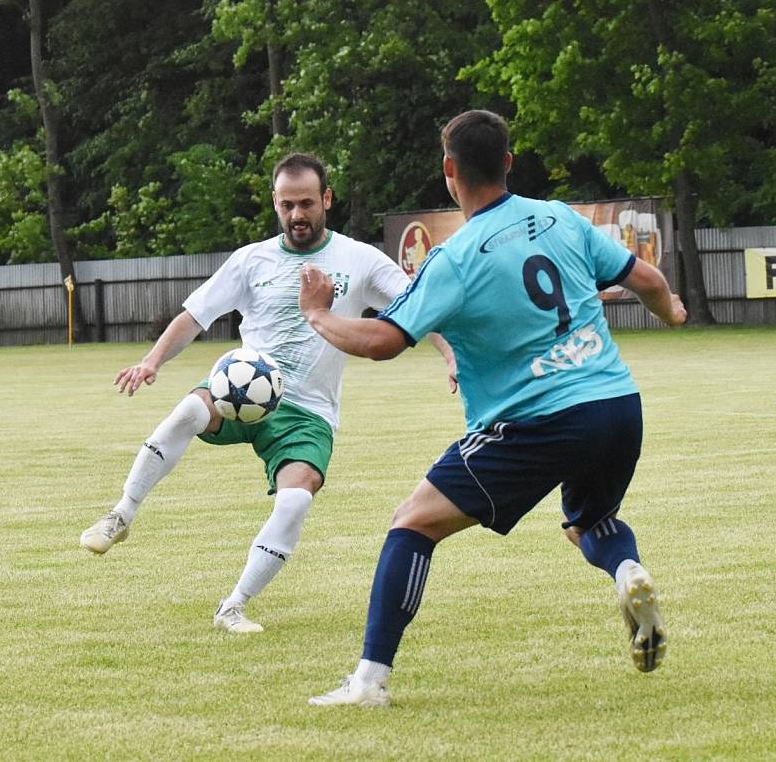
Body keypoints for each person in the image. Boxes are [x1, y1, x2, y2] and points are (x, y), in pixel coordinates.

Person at [298, 110, 687, 707]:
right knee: (586, 522)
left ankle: (370, 681)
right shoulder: (561, 217)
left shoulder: (455, 258)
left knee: (412, 523)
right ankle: (627, 569)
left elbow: (382, 342)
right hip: (615, 404)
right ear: (508, 162)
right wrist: (674, 315)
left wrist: (320, 315)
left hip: (536, 421)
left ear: (449, 171)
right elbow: (650, 281)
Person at [80, 152, 454, 634]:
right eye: (286, 205)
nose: (297, 215)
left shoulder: (358, 260)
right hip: (241, 388)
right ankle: (120, 515)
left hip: (308, 414)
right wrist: (152, 360)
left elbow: (417, 306)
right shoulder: (251, 260)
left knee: (295, 501)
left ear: (326, 200)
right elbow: (196, 315)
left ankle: (233, 605)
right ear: (275, 205)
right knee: (184, 414)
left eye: (306, 204)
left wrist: (450, 354)